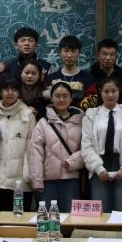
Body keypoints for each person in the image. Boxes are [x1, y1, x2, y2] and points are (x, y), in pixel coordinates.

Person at [81, 77, 122, 212]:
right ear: (100, 91)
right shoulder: (90, 116)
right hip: (99, 167)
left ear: (119, 91)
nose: (110, 95)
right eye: (106, 91)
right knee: (101, 212)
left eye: (113, 91)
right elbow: (86, 145)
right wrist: (98, 168)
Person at [27, 82, 84, 211]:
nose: (61, 99)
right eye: (57, 96)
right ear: (51, 98)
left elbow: (87, 149)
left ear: (71, 98)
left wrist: (73, 162)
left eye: (65, 96)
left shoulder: (81, 121)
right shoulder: (43, 123)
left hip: (72, 180)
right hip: (48, 182)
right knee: (48, 219)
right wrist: (37, 181)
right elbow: (35, 153)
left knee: (70, 219)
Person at [0, 74, 37, 212]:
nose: (10, 93)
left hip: (21, 184)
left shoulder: (28, 115)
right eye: (5, 89)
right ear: (0, 91)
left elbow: (32, 150)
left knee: (19, 223)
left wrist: (28, 177)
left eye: (14, 89)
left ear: (19, 92)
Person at [46, 35, 94, 107]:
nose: (69, 55)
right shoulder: (50, 78)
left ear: (79, 53)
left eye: (73, 51)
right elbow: (46, 102)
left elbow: (91, 102)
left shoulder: (88, 78)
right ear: (60, 53)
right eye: (66, 51)